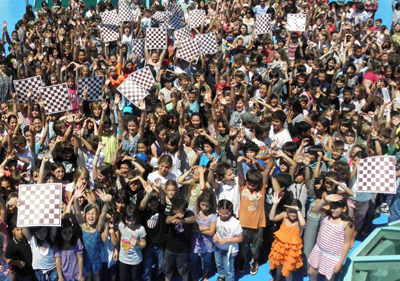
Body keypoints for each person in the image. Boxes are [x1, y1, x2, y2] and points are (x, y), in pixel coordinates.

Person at [269, 195, 306, 281]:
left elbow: (303, 224)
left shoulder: (299, 222)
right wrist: (274, 204)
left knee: (287, 271)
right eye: (291, 211)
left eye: (295, 212)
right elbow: (272, 217)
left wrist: (298, 210)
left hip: (291, 252)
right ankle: (277, 278)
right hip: (280, 247)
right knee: (278, 265)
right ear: (287, 209)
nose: (293, 214)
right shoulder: (284, 216)